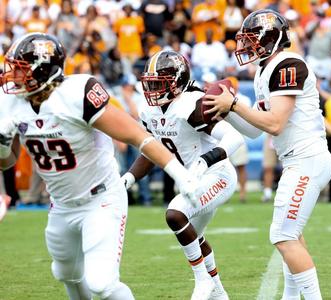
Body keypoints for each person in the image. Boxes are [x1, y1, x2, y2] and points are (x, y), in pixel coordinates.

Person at [0, 33, 200, 300]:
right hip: (61, 204)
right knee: (66, 273)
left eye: (21, 68)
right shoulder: (9, 102)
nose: (13, 76)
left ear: (43, 71)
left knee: (101, 283)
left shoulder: (75, 94)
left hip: (101, 198)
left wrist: (181, 174)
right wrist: (2, 144)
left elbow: (136, 135)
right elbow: (8, 161)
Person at [203, 9, 331, 300]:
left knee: (283, 235)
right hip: (297, 160)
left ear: (270, 40)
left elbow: (275, 123)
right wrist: (224, 111)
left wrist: (235, 103)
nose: (246, 47)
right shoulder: (266, 69)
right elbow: (255, 131)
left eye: (252, 41)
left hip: (307, 158)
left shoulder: (288, 63)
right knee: (292, 233)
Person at [121, 50, 244, 300]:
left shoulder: (191, 104)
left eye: (158, 84)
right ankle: (218, 292)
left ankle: (202, 282)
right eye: (150, 83)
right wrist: (128, 178)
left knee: (176, 214)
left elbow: (234, 137)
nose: (152, 89)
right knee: (193, 236)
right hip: (192, 181)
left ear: (177, 82)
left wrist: (203, 161)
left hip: (217, 175)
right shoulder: (150, 111)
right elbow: (152, 151)